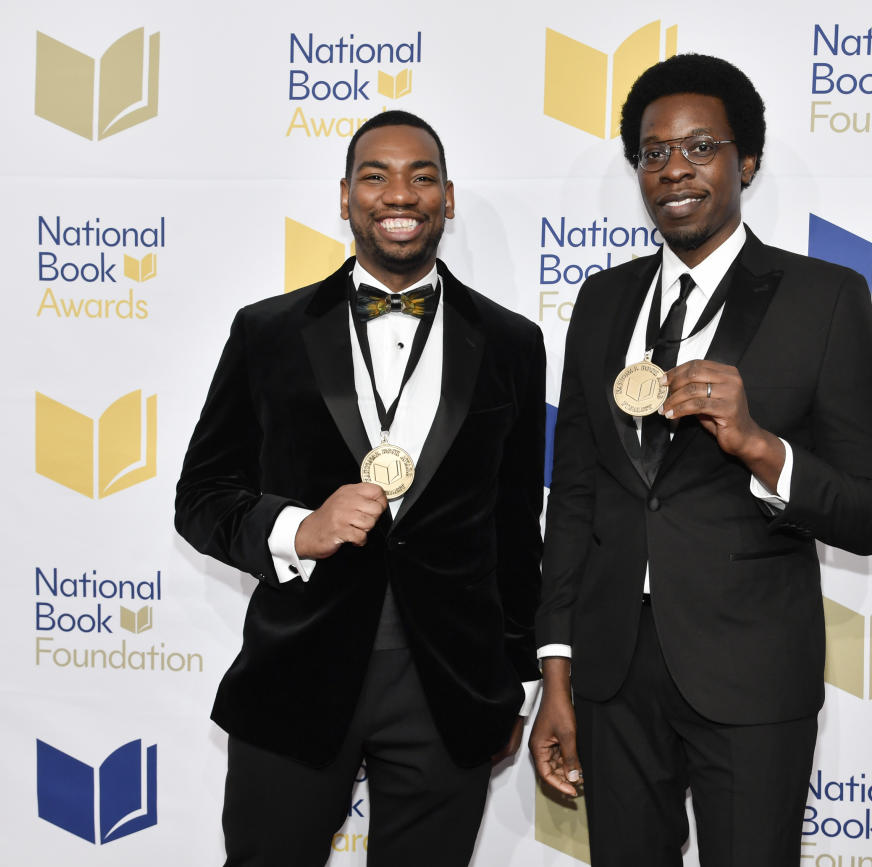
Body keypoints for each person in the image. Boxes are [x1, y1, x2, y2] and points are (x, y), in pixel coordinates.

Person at [529, 54, 872, 866]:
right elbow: (578, 496)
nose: (674, 171)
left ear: (747, 162)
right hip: (610, 673)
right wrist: (555, 667)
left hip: (751, 672)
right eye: (653, 154)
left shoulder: (824, 298)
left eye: (699, 147)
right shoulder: (600, 301)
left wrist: (761, 447)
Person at [175, 110, 544, 866]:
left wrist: (514, 680)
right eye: (375, 176)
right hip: (296, 675)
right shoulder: (267, 331)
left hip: (449, 686)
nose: (398, 193)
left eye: (421, 175)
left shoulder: (511, 341)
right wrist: (294, 528)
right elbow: (202, 495)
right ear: (344, 198)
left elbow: (515, 526)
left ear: (447, 196)